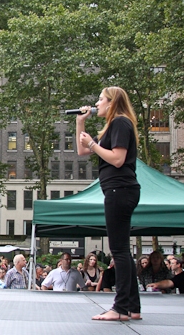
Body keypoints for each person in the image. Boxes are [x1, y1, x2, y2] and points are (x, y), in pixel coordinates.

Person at [77, 86, 141, 321]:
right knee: (123, 249)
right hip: (118, 190)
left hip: (120, 189)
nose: (97, 103)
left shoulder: (121, 123)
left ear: (112, 103)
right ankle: (132, 307)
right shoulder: (114, 126)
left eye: (101, 99)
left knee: (119, 250)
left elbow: (117, 159)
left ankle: (121, 307)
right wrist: (80, 124)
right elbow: (82, 151)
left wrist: (94, 144)